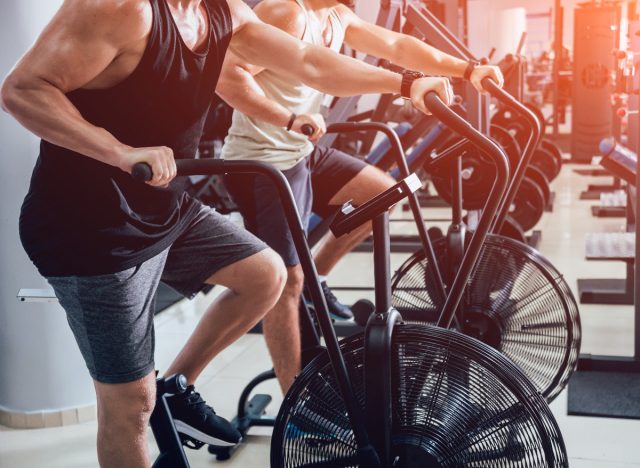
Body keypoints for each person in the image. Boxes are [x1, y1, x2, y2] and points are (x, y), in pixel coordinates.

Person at [0, 0, 452, 466]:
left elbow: (309, 62)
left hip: (163, 209)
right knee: (129, 406)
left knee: (266, 275)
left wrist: (408, 82)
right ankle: (154, 404)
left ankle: (175, 391)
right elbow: (22, 90)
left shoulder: (223, 13)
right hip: (88, 230)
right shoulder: (123, 11)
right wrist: (117, 150)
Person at [217, 0, 504, 393]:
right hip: (261, 162)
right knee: (286, 283)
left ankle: (316, 284)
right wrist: (285, 118)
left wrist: (468, 70)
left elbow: (398, 46)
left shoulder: (336, 16)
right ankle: (295, 400)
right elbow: (226, 75)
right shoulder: (284, 12)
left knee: (380, 193)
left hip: (302, 151)